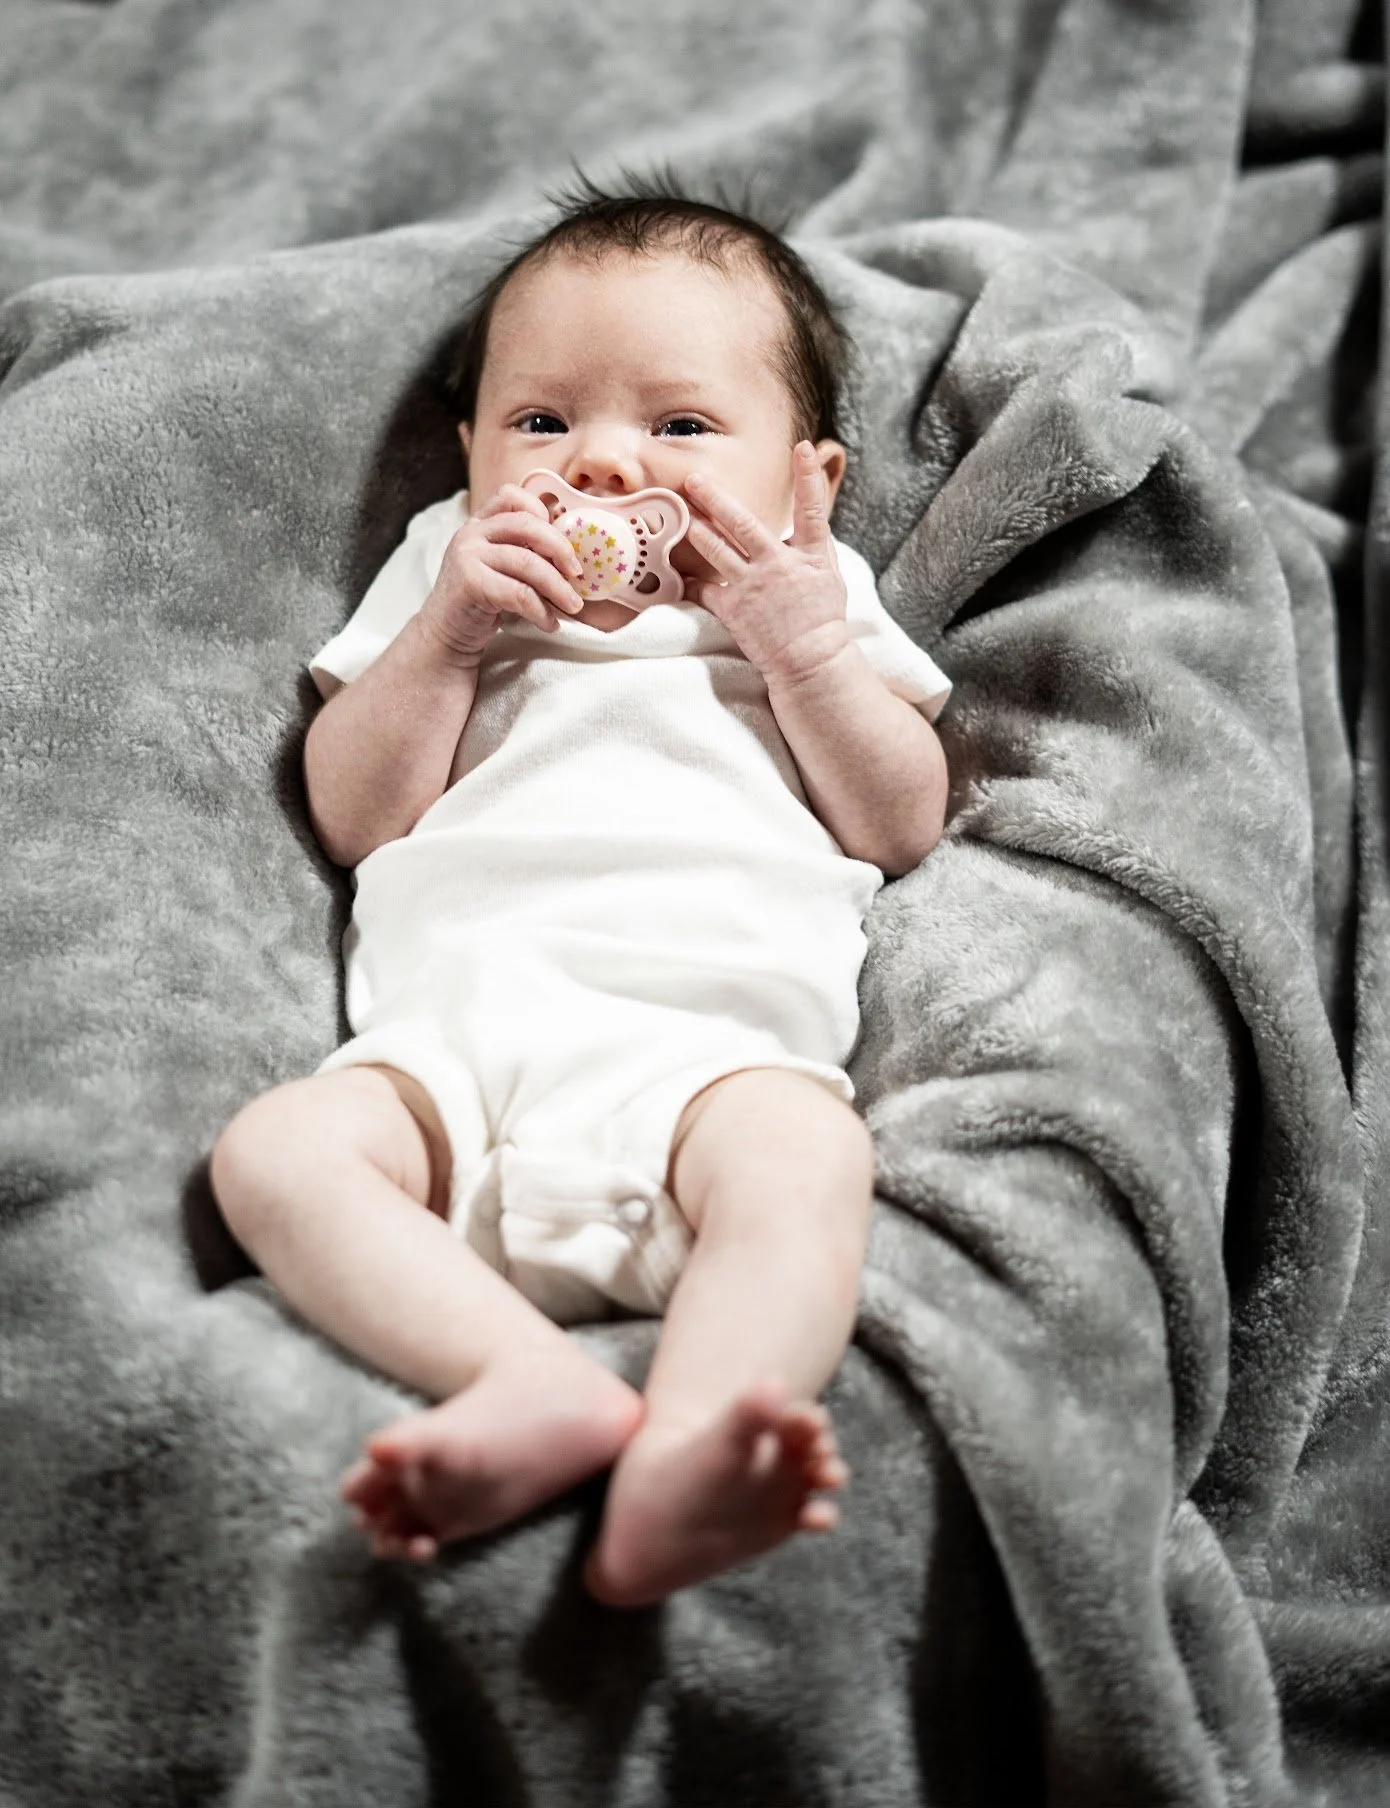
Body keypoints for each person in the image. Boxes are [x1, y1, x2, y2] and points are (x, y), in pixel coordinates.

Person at [209, 176, 951, 1608]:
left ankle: (689, 1449)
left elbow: (899, 819)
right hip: (453, 1055)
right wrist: (447, 639)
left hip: (711, 1056)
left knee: (806, 1169)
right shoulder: (448, 574)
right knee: (276, 1153)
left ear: (810, 479)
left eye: (679, 427)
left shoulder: (812, 592)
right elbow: (356, 817)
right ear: (469, 453)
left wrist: (803, 657)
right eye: (542, 423)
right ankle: (524, 1382)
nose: (604, 466)